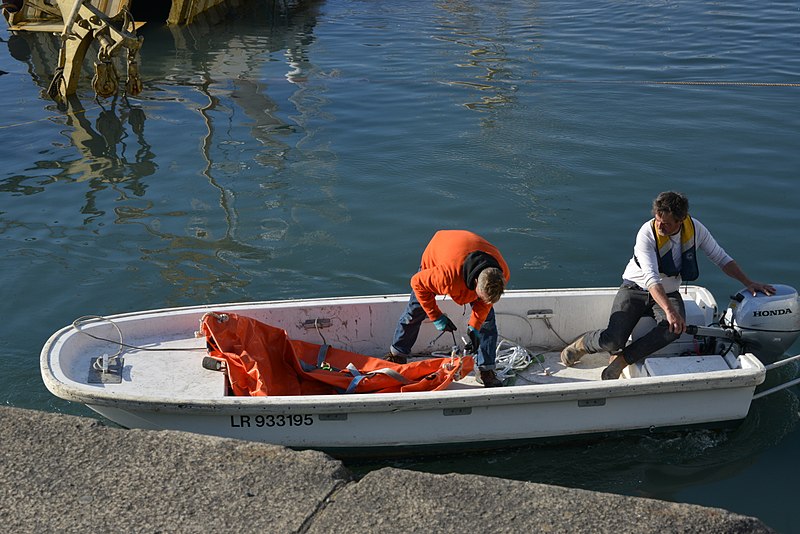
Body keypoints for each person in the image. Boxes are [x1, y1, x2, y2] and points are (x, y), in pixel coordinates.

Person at [561, 191, 775, 380]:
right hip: (635, 289)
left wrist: (748, 282)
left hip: (669, 291)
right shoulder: (647, 233)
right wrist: (670, 310)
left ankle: (622, 360)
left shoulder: (695, 229)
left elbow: (721, 258)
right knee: (613, 340)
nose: (660, 225)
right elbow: (652, 279)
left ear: (681, 220)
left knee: (674, 328)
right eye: (657, 219)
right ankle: (582, 344)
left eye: (666, 223)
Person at [386, 230, 510, 388]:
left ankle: (486, 369)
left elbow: (486, 303)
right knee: (415, 310)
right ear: (476, 282)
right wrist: (436, 317)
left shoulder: (501, 273)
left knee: (487, 321)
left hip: (466, 250)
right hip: (439, 252)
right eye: (479, 297)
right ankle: (397, 354)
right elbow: (417, 282)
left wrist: (474, 327)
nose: (480, 301)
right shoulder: (446, 276)